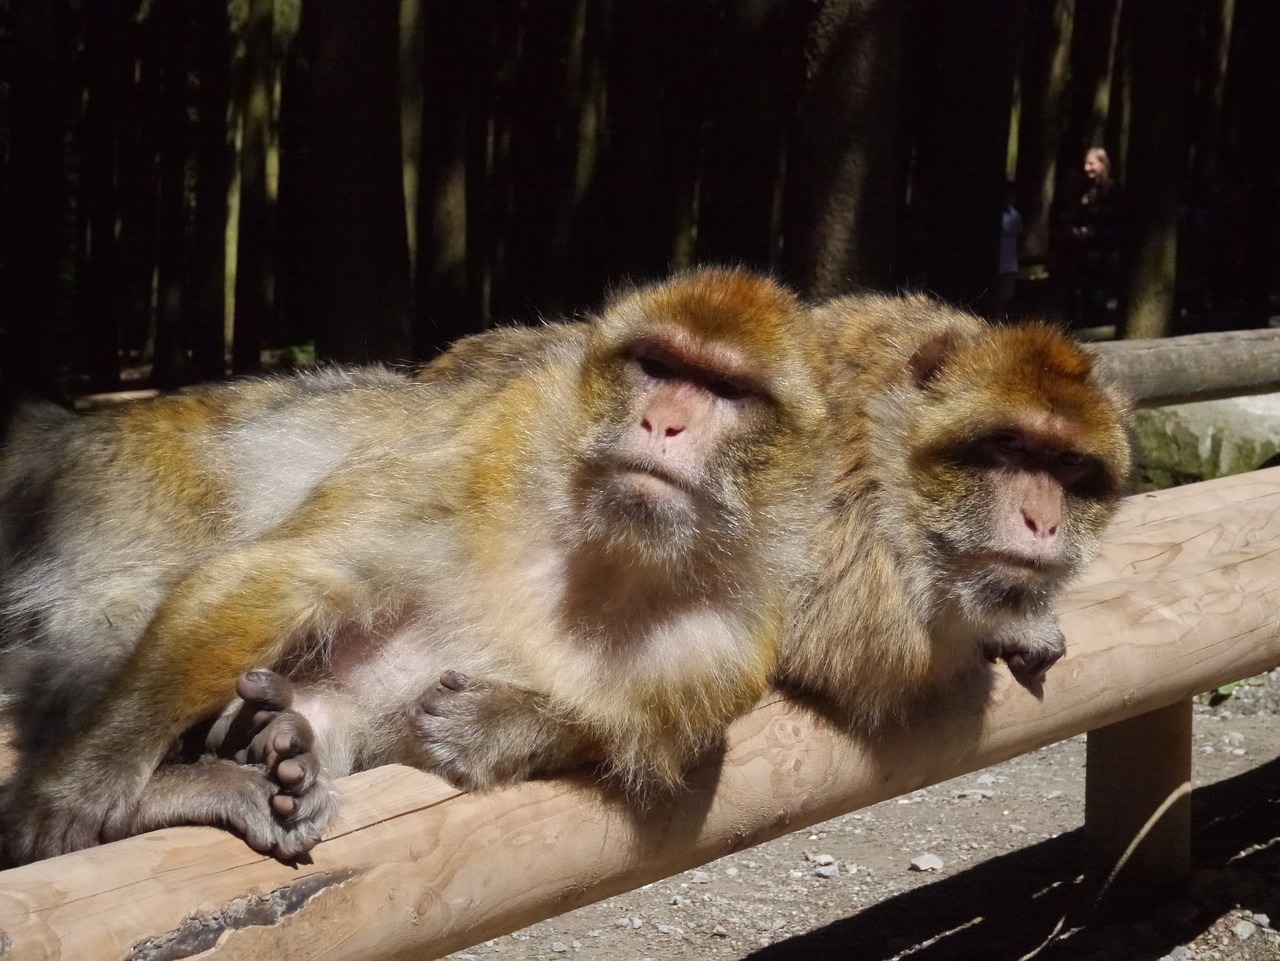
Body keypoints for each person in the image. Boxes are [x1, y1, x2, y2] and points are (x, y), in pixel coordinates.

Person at [1057, 147, 1121, 326]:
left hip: (1103, 256)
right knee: (1079, 297)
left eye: (1091, 163)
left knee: (1098, 300)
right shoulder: (1082, 190)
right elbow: (1071, 215)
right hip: (1081, 255)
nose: (1086, 168)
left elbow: (1117, 225)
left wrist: (1096, 233)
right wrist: (1075, 230)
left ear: (1103, 164)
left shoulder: (1113, 192)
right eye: (1085, 164)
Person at [997, 180, 1023, 314]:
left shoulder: (1015, 216)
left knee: (1006, 298)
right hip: (997, 264)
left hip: (1010, 265)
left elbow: (1019, 238)